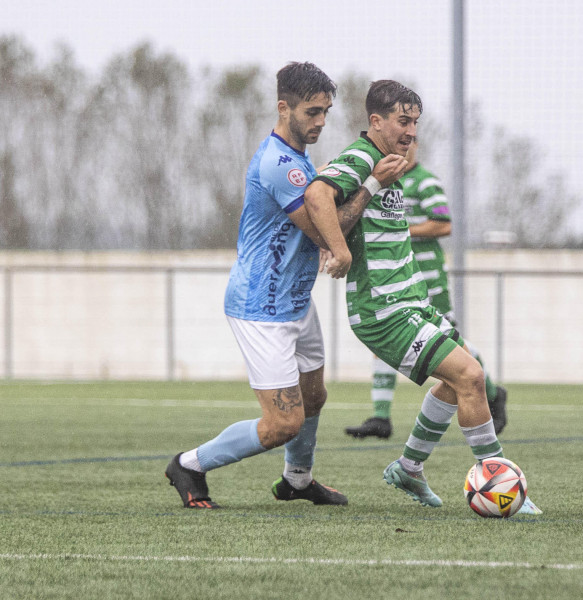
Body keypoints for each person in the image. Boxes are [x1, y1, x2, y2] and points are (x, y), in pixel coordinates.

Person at [164, 62, 407, 509]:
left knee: (315, 396)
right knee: (283, 423)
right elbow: (322, 232)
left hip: (295, 303)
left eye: (326, 113)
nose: (320, 122)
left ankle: (297, 480)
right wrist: (371, 184)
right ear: (284, 107)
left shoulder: (298, 158)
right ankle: (190, 464)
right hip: (262, 309)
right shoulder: (279, 164)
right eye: (312, 112)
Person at [302, 80, 536, 511]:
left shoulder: (393, 165)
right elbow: (317, 193)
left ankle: (409, 468)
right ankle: (503, 487)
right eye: (402, 121)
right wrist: (339, 249)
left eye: (416, 123)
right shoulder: (362, 158)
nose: (411, 131)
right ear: (376, 121)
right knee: (471, 376)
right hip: (383, 310)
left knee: (459, 379)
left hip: (414, 302)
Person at [343, 137, 508, 440]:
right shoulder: (376, 180)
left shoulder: (424, 182)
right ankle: (381, 417)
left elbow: (443, 223)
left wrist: (398, 228)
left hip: (427, 280)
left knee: (455, 346)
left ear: (417, 146)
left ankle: (494, 393)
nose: (405, 145)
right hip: (392, 282)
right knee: (383, 346)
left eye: (412, 140)